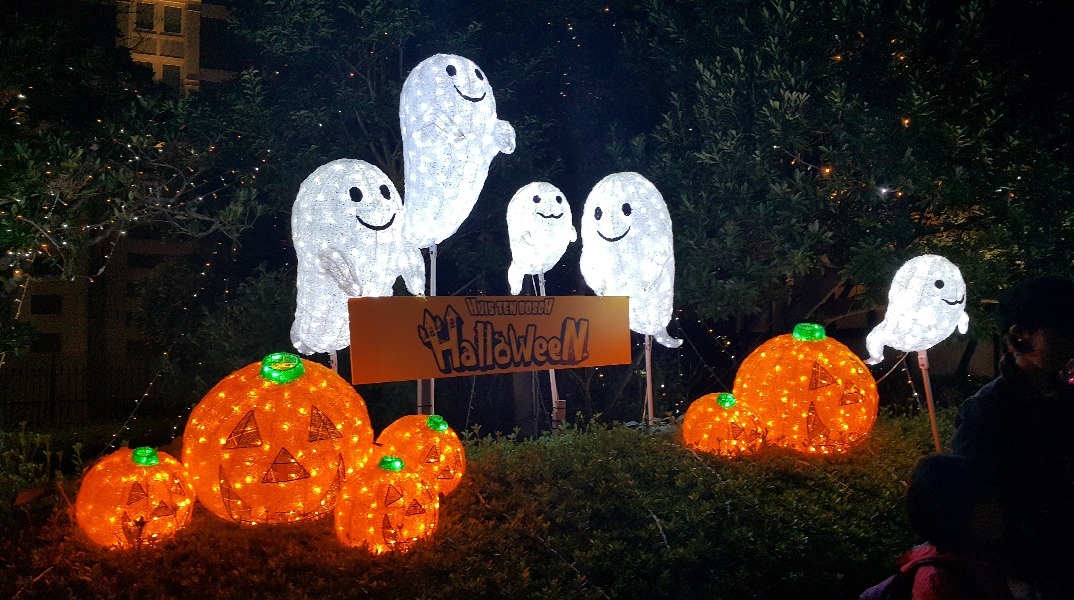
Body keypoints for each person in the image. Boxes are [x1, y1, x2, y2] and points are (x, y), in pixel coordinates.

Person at [951, 276, 1074, 599]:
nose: (1069, 341)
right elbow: (974, 504)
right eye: (1059, 331)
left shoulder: (1063, 399)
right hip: (1023, 572)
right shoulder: (985, 411)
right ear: (1020, 334)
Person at [860, 453, 1013, 600]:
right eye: (987, 499)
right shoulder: (936, 583)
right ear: (960, 511)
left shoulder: (978, 552)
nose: (998, 506)